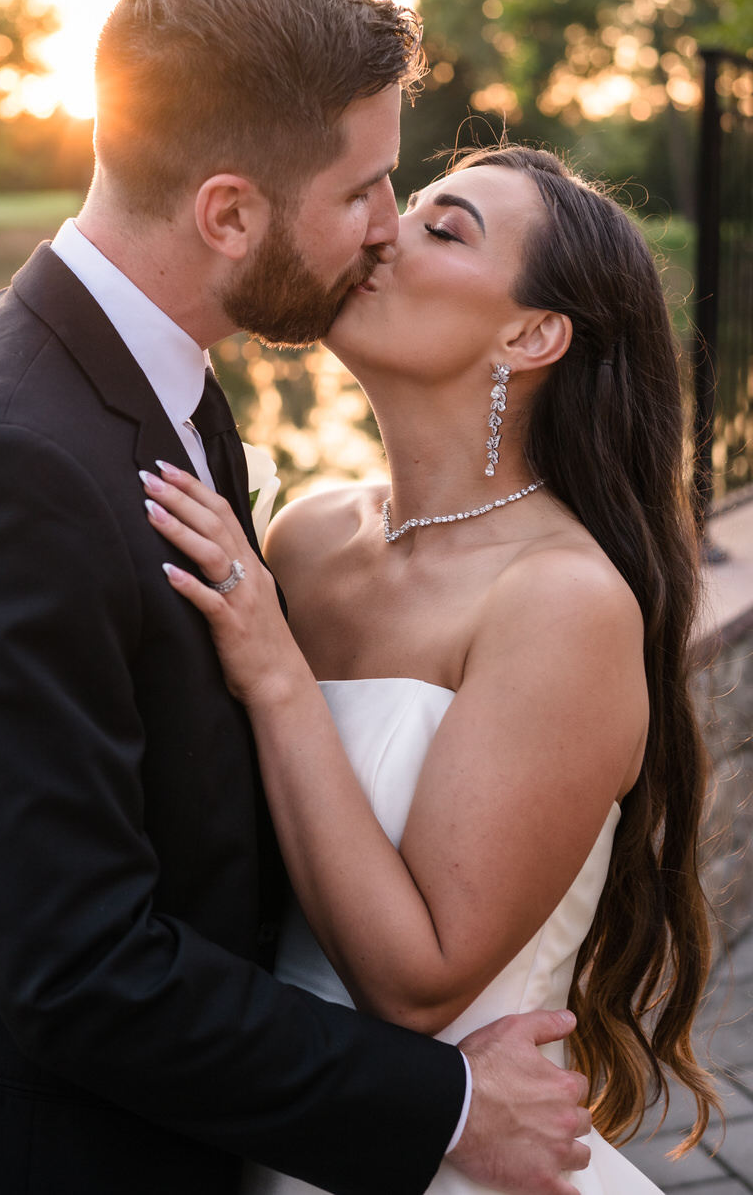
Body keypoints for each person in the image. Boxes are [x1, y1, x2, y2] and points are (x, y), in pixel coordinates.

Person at [0, 0, 590, 1195]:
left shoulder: (144, 378)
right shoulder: (12, 465)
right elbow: (81, 972)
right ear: (230, 213)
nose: (384, 230)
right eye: (364, 191)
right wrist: (450, 1107)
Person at [143, 144, 720, 1195]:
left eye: (442, 228)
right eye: (397, 207)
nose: (378, 233)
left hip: (448, 1160)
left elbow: (415, 988)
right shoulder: (309, 537)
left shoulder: (561, 601)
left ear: (531, 333)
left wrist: (276, 674)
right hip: (255, 1124)